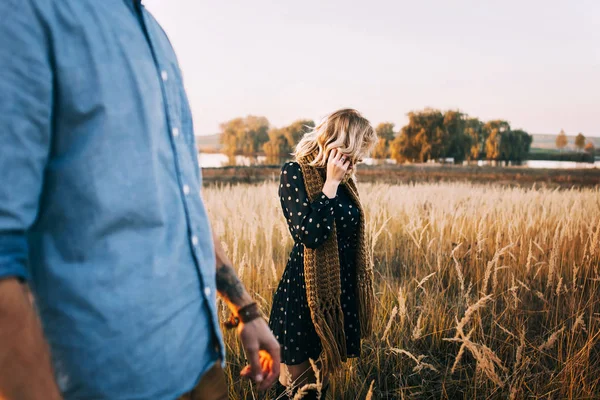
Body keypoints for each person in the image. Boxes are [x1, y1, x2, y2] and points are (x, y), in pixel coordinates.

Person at [0, 1, 279, 399]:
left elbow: (183, 200)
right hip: (111, 385)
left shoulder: (152, 32)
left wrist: (246, 309)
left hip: (203, 365)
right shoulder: (27, 13)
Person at [268, 109, 377, 399]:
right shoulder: (295, 174)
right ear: (341, 144)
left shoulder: (345, 181)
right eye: (358, 151)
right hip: (304, 298)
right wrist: (330, 184)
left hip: (335, 297)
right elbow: (309, 235)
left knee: (320, 387)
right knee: (300, 390)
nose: (361, 159)